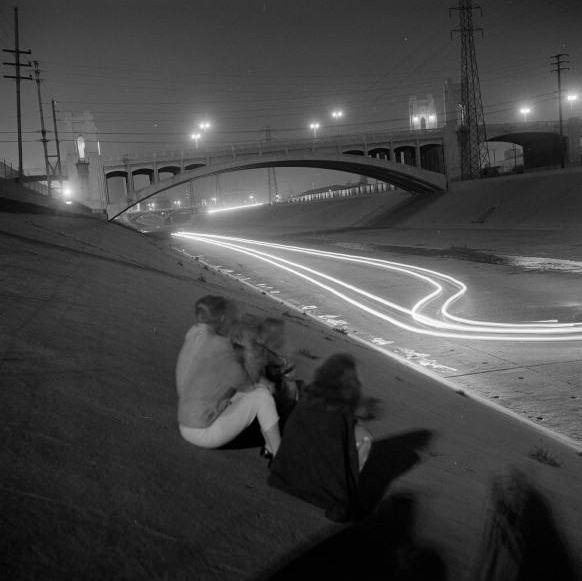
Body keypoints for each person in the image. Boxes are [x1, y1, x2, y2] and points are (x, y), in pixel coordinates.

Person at [269, 353, 380, 522]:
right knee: (364, 438)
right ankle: (345, 494)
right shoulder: (342, 410)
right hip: (321, 490)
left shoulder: (308, 395)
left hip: (285, 475)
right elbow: (341, 452)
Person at [176, 295, 281, 457]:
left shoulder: (195, 334)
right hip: (202, 429)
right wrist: (249, 349)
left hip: (186, 419)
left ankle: (270, 447)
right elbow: (248, 384)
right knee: (261, 396)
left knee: (247, 389)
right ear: (223, 317)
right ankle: (279, 454)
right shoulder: (220, 347)